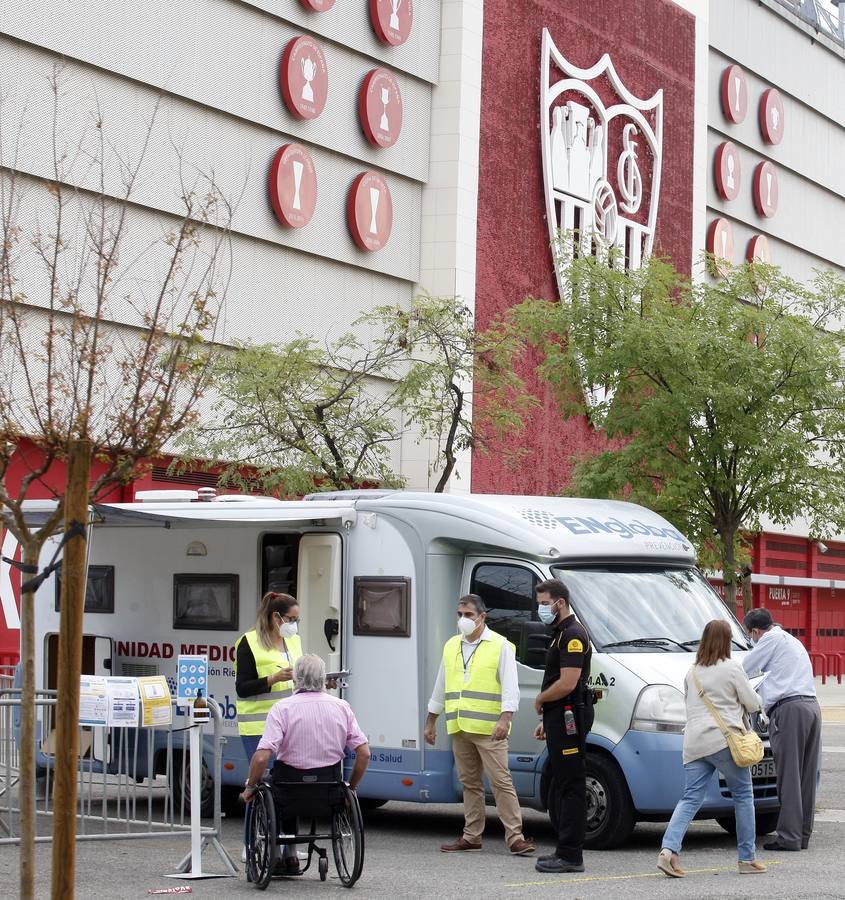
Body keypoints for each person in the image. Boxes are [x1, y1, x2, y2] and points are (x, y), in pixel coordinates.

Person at [424, 594, 535, 856]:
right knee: (469, 783)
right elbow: (441, 684)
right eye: (459, 614)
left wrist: (505, 718)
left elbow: (510, 687)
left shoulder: (500, 645)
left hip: (489, 729)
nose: (463, 619)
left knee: (501, 781)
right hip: (460, 726)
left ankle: (515, 837)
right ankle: (471, 835)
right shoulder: (451, 645)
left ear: (482, 617)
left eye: (469, 615)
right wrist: (431, 720)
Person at [240, 655, 371, 875]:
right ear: (323, 679)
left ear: (295, 679)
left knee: (271, 786)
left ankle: (285, 854)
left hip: (287, 791)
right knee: (291, 785)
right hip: (328, 790)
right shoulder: (341, 707)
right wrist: (353, 788)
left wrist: (251, 787)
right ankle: (291, 856)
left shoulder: (282, 709)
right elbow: (364, 753)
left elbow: (262, 758)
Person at [657, 619, 766, 878]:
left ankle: (668, 850)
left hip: (694, 743)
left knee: (690, 798)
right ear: (726, 641)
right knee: (743, 795)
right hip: (723, 740)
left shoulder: (691, 672)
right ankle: (747, 858)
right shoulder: (731, 668)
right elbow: (752, 703)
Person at [742, 607, 821, 852]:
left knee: (788, 776)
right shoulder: (790, 640)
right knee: (805, 775)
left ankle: (788, 837)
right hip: (811, 706)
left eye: (751, 635)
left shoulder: (768, 639)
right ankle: (802, 834)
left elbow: (745, 667)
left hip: (789, 710)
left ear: (755, 631)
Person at [235, 592, 303, 863]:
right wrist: (272, 678)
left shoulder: (294, 641)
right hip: (258, 726)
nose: (295, 625)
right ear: (275, 617)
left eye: (298, 620)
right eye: (291, 619)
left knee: (290, 783)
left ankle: (289, 846)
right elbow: (242, 687)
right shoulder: (248, 642)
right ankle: (250, 842)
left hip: (291, 725)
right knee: (259, 783)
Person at [532, 578, 593, 874]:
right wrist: (548, 720)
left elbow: (567, 683)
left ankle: (570, 855)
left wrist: (541, 700)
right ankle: (564, 850)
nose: (541, 609)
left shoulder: (572, 635)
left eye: (545, 604)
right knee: (563, 783)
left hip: (569, 715)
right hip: (561, 717)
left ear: (560, 602)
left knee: (571, 785)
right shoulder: (559, 633)